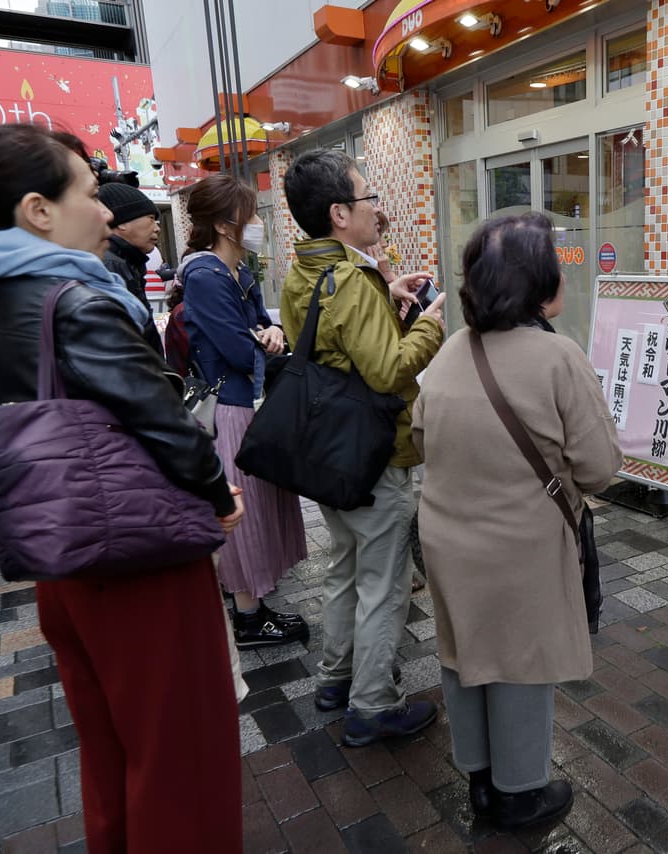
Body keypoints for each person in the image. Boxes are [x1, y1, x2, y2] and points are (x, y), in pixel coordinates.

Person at [0, 123, 245, 850]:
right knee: (183, 759)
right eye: (89, 192)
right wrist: (218, 494)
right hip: (140, 558)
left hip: (68, 558)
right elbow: (162, 422)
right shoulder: (75, 300)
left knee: (113, 750)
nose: (108, 213)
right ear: (37, 211)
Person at [413, 212, 620, 830]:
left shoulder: (452, 349)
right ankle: (520, 793)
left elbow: (421, 434)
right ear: (537, 283)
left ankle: (478, 780)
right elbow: (601, 467)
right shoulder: (558, 357)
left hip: (446, 538)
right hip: (523, 546)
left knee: (463, 654)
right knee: (521, 664)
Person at [280, 148, 446, 745]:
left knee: (345, 568)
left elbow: (333, 335)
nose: (379, 208)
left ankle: (337, 676)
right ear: (339, 213)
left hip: (328, 454)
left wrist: (384, 289)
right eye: (369, 197)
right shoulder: (350, 280)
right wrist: (430, 323)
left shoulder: (307, 270)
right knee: (385, 582)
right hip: (373, 458)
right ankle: (374, 704)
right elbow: (389, 371)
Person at [180, 174, 308, 649]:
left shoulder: (240, 271)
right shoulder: (204, 275)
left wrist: (267, 335)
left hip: (249, 404)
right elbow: (238, 349)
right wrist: (266, 340)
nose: (257, 223)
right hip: (229, 409)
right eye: (249, 215)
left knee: (259, 508)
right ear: (225, 224)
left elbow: (259, 329)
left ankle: (253, 603)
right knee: (243, 514)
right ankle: (249, 618)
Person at [97, 182, 164, 356]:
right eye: (150, 218)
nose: (157, 228)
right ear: (121, 223)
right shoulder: (112, 266)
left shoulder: (127, 261)